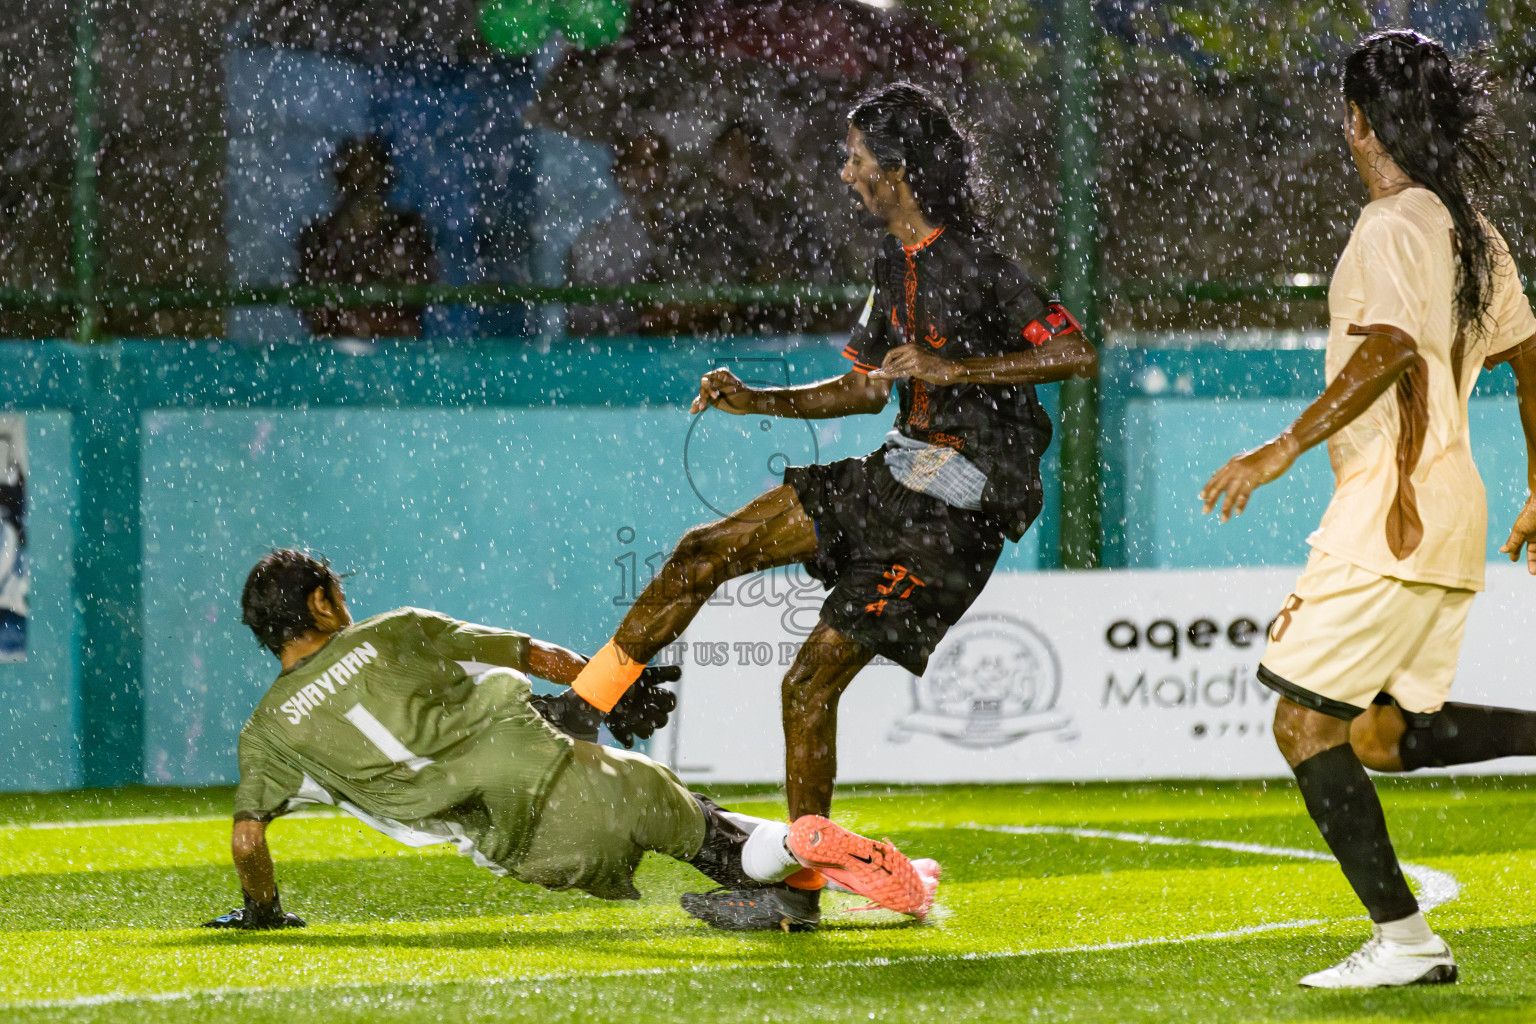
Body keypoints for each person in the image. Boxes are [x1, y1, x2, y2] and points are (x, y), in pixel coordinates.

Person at [537, 82, 1096, 930]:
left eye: (855, 158)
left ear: (897, 172)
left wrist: (957, 371)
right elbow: (864, 390)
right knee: (702, 550)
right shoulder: (890, 266)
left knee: (806, 686)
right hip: (892, 474)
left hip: (952, 519)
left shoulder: (981, 266)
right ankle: (590, 701)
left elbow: (1076, 353)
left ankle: (796, 893)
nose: (844, 173)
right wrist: (755, 399)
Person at [1201, 31, 1536, 989]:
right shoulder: (1471, 230)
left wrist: (1283, 445)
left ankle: (1406, 942)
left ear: (1356, 120)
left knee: (1303, 727)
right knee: (1380, 734)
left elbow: (1388, 344)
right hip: (1449, 509)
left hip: (1392, 512)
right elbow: (1529, 360)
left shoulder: (1390, 227)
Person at [204, 549, 935, 933]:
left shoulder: (267, 730)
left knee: (712, 860)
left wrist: (263, 911)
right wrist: (612, 686)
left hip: (526, 841)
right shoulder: (394, 629)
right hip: (570, 760)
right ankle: (797, 846)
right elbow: (531, 653)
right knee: (709, 836)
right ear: (321, 601)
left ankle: (806, 867)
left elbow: (246, 841)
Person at [297, 136, 436, 340]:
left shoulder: (406, 230)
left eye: (369, 173)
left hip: (391, 342)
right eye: (356, 171)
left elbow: (418, 292)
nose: (362, 181)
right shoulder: (320, 237)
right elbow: (310, 303)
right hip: (343, 343)